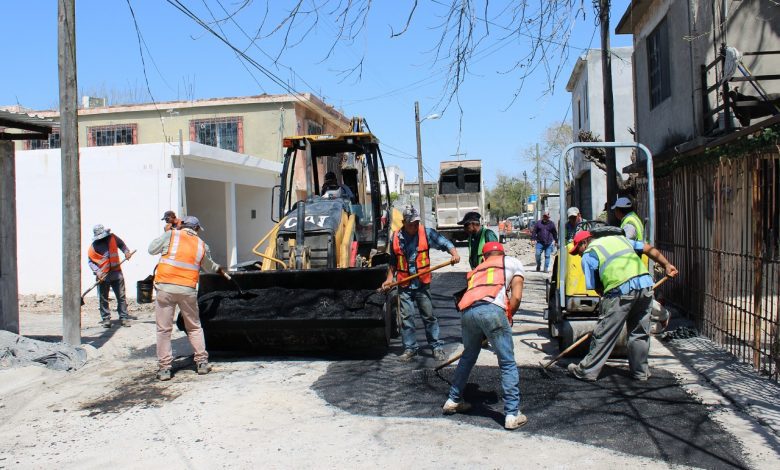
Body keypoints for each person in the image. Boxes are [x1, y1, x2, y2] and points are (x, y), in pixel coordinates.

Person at [567, 230, 678, 382]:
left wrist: (607, 311)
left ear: (584, 243)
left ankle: (586, 371)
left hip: (620, 290)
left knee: (604, 333)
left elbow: (596, 287)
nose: (578, 254)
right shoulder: (619, 240)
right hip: (645, 286)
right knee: (640, 333)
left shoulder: (589, 254)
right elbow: (647, 248)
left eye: (577, 250)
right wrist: (667, 265)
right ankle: (640, 372)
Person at [443, 241, 528, 430]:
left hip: (467, 312)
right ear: (502, 253)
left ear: (484, 257)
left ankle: (452, 400)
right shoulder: (512, 262)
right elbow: (517, 296)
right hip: (492, 310)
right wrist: (507, 318)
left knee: (467, 357)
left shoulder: (478, 269)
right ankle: (512, 414)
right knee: (507, 362)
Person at [148, 215, 223, 381]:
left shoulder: (172, 235)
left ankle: (165, 369)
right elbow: (209, 267)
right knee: (194, 327)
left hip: (165, 288)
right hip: (187, 289)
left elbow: (151, 249)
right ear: (196, 229)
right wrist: (218, 269)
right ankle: (202, 363)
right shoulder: (201, 244)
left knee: (164, 329)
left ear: (183, 226)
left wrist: (166, 233)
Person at [381, 206, 460, 362]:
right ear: (404, 223)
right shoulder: (395, 237)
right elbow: (393, 262)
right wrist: (389, 279)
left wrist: (454, 253)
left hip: (422, 284)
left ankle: (436, 347)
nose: (415, 226)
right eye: (411, 224)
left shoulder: (426, 233)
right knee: (407, 318)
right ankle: (410, 348)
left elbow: (444, 242)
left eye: (417, 223)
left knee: (429, 317)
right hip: (404, 285)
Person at [87, 224, 133, 328]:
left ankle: (124, 317)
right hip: (103, 276)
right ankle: (106, 319)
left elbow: (122, 244)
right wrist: (98, 272)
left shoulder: (113, 238)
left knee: (121, 296)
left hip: (116, 273)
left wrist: (126, 252)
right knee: (103, 298)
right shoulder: (94, 246)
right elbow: (90, 262)